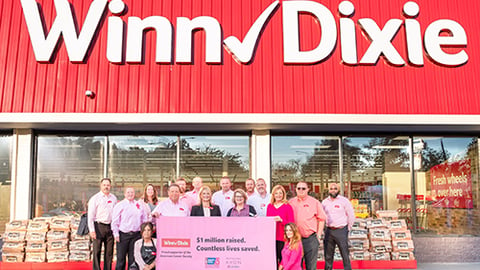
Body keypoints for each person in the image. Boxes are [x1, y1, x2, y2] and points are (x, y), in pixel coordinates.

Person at [289, 181, 326, 270]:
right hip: (295, 239)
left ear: (308, 190)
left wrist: (318, 235)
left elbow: (322, 219)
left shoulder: (314, 202)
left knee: (311, 267)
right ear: (296, 190)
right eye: (299, 188)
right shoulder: (290, 202)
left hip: (310, 239)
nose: (301, 190)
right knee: (296, 266)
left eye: (303, 188)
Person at [112, 187, 147, 270]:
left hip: (136, 235)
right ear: (124, 194)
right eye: (128, 192)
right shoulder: (120, 205)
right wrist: (115, 234)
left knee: (133, 259)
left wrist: (143, 232)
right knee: (121, 259)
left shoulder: (139, 205)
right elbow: (115, 221)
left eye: (132, 192)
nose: (130, 194)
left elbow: (144, 218)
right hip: (123, 235)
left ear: (134, 194)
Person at [322, 183, 355, 270]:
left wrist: (347, 229)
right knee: (328, 255)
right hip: (329, 230)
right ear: (328, 190)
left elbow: (351, 216)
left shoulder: (344, 201)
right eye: (331, 188)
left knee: (345, 254)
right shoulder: (324, 202)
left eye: (335, 188)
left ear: (338, 190)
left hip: (341, 230)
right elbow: (322, 216)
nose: (333, 190)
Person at [88, 178, 117, 270]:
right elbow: (90, 216)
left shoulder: (114, 198)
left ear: (110, 186)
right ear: (100, 186)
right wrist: (92, 230)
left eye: (108, 185)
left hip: (110, 227)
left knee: (109, 252)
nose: (106, 187)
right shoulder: (95, 198)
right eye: (104, 185)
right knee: (97, 251)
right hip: (98, 226)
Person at [267, 185, 294, 266]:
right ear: (273, 195)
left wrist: (281, 220)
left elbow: (292, 223)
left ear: (283, 194)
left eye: (280, 193)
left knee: (284, 261)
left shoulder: (287, 206)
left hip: (283, 238)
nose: (278, 195)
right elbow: (267, 222)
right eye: (276, 193)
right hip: (272, 238)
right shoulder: (270, 206)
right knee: (273, 261)